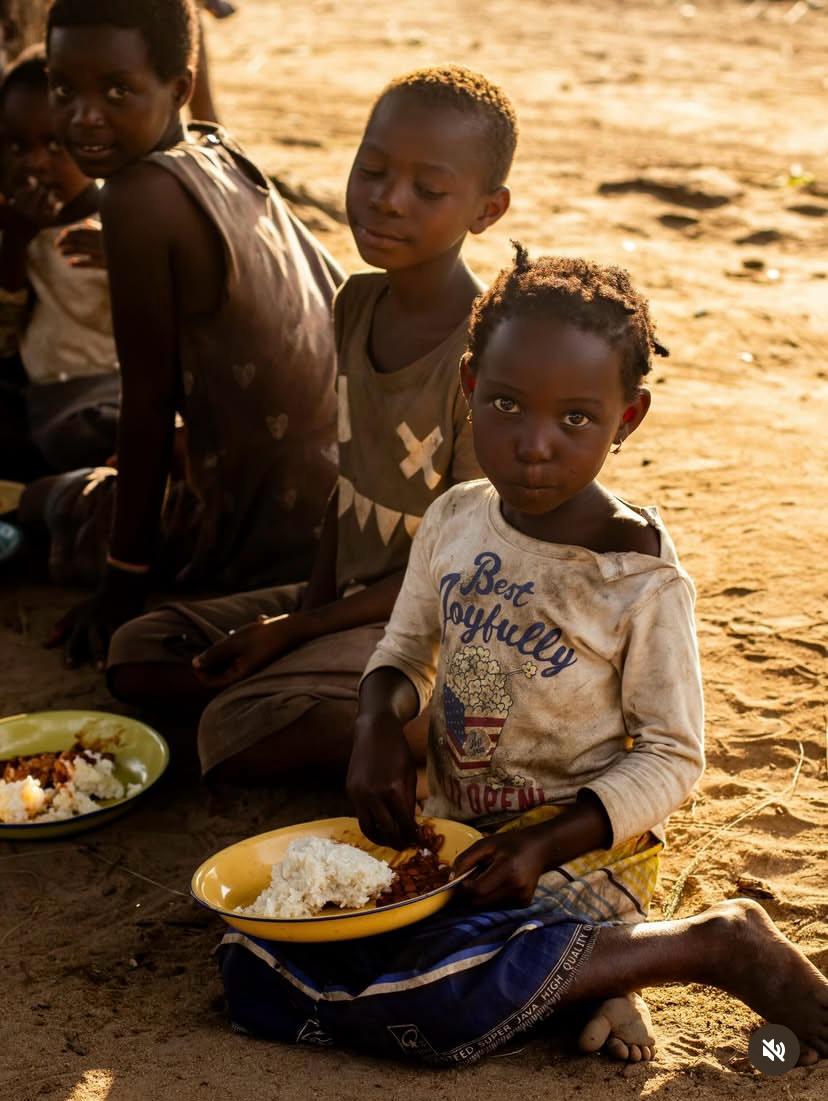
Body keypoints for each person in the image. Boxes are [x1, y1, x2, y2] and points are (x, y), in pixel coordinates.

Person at [217, 247, 828, 1068]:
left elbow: (674, 756)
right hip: (455, 843)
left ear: (629, 416)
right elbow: (405, 650)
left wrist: (546, 843)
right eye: (506, 404)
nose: (534, 444)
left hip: (581, 857)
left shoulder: (638, 579)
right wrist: (375, 721)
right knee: (267, 949)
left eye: (576, 418)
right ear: (470, 387)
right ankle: (597, 976)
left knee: (442, 997)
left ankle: (716, 943)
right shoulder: (457, 517)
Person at [106, 65, 515, 782]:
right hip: (346, 607)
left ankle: (447, 729)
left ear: (487, 210)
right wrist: (309, 606)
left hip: (442, 629)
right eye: (372, 170)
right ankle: (328, 699)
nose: (387, 201)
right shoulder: (356, 304)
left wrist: (297, 632)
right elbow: (348, 481)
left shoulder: (488, 357)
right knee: (139, 649)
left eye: (428, 190)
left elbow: (466, 567)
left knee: (232, 724)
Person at [23, 0, 341, 665]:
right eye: (62, 88)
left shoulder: (135, 198)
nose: (83, 115)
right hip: (330, 502)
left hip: (250, 533)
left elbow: (145, 407)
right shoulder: (219, 149)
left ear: (179, 88)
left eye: (116, 90)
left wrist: (122, 582)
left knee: (51, 499)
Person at [0, 46, 119, 480]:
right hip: (54, 401)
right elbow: (7, 340)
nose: (33, 163)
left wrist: (128, 256)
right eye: (15, 146)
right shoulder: (13, 224)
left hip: (124, 390)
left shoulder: (122, 218)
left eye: (55, 144)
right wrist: (15, 242)